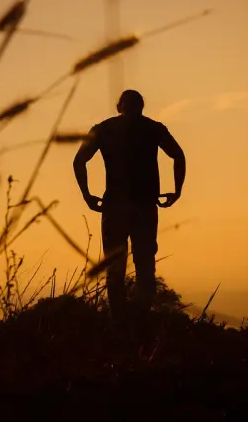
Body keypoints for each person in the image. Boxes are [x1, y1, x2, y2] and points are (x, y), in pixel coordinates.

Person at [73, 89, 186, 322]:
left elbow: (79, 160)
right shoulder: (153, 129)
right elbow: (178, 156)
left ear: (119, 107)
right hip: (144, 205)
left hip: (114, 206)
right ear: (141, 106)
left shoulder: (103, 129)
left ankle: (118, 320)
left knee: (115, 267)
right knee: (145, 264)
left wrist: (87, 195)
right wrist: (177, 190)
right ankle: (140, 318)